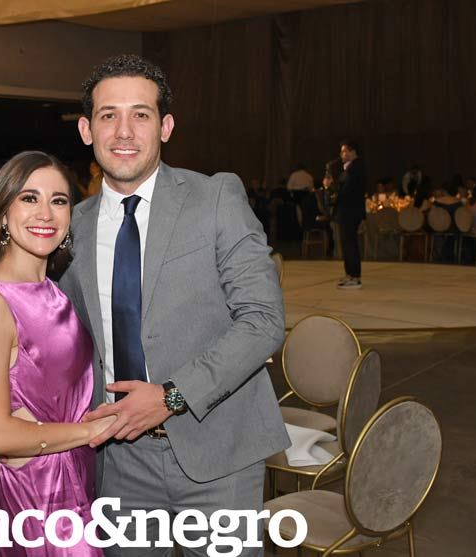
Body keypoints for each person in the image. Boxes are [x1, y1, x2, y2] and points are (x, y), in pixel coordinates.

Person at [59, 54, 288, 555]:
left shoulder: (215, 198)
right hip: (119, 461)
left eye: (140, 115)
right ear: (86, 129)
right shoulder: (70, 226)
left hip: (219, 452)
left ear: (165, 127)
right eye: (108, 115)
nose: (124, 131)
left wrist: (171, 397)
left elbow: (264, 321)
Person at [0, 150, 116, 556]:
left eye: (58, 200)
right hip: (39, 493)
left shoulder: (55, 290)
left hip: (74, 477)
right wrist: (88, 432)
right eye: (29, 198)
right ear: (2, 212)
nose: (45, 213)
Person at [335, 139, 366, 289]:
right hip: (348, 211)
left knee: (350, 244)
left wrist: (333, 188)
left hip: (350, 211)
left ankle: (355, 276)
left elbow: (348, 190)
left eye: (344, 151)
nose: (341, 154)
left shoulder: (356, 167)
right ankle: (350, 274)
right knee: (347, 244)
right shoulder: (352, 167)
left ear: (353, 152)